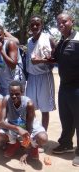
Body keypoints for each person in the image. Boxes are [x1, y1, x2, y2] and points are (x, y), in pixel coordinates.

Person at [52, 13, 79, 167]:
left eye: (64, 21)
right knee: (66, 118)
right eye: (58, 22)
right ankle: (66, 143)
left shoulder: (78, 39)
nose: (61, 24)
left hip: (77, 87)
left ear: (72, 22)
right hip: (64, 86)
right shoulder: (62, 41)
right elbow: (56, 58)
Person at [0, 81, 47, 162]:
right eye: (11, 94)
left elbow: (29, 127)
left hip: (27, 125)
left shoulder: (29, 104)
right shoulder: (6, 100)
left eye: (17, 94)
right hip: (13, 125)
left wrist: (26, 151)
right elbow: (1, 122)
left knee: (43, 138)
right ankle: (14, 144)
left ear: (22, 93)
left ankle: (34, 147)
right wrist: (17, 128)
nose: (14, 96)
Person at [26, 15, 56, 131]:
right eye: (32, 24)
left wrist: (41, 61)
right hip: (32, 77)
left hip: (44, 77)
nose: (34, 26)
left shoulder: (49, 39)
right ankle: (32, 133)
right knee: (30, 107)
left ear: (42, 25)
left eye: (37, 24)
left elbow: (56, 58)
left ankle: (42, 135)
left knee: (44, 109)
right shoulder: (29, 40)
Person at [0, 24, 25, 96]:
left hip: (15, 84)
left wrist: (1, 50)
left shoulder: (10, 44)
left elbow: (13, 65)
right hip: (3, 84)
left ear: (3, 34)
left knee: (17, 106)